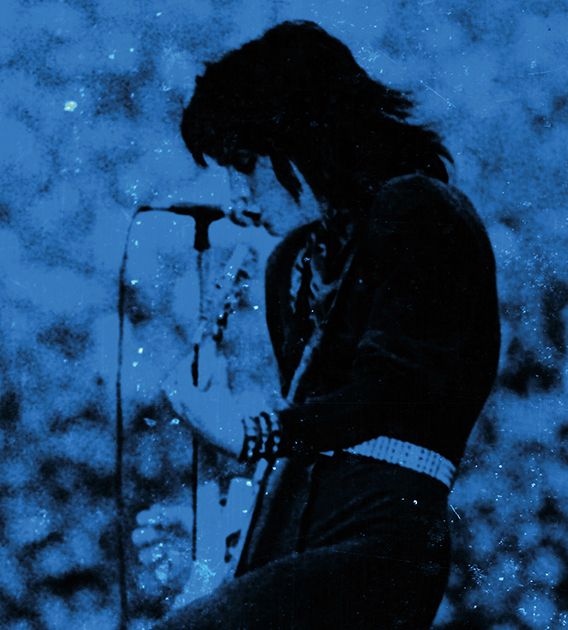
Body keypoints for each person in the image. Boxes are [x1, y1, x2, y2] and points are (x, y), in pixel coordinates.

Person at [151, 20, 500, 628]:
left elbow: (383, 396)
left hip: (379, 542)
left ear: (305, 137)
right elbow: (312, 445)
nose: (238, 197)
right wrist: (223, 538)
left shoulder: (420, 210)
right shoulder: (292, 263)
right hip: (299, 536)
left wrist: (246, 431)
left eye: (246, 164)